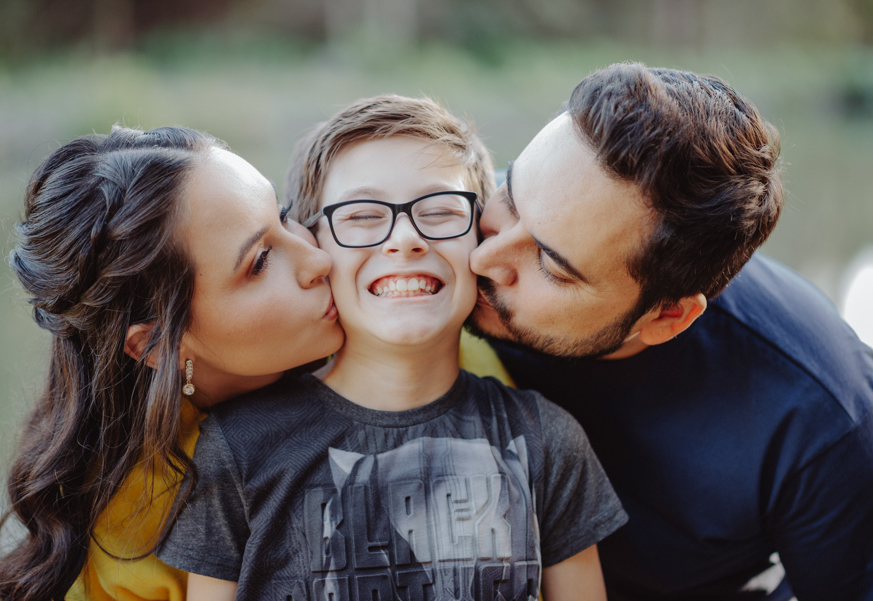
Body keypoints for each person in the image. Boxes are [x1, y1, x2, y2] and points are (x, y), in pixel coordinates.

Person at [156, 94, 628, 601]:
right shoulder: (237, 446)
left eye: (441, 210)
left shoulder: (546, 438)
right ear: (316, 244)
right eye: (361, 216)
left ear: (482, 238)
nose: (405, 239)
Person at [464, 62, 873, 600]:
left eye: (553, 266)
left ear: (667, 317)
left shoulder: (819, 418)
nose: (481, 258)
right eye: (510, 196)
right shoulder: (434, 228)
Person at [0, 125, 344, 601]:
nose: (318, 258)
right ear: (154, 346)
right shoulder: (135, 539)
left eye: (285, 216)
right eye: (260, 261)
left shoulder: (390, 329)